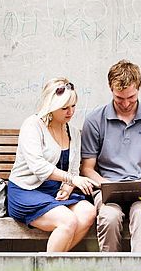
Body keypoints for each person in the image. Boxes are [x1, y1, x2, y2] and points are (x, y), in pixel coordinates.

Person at [81, 60, 141, 252]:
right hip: (108, 186)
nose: (126, 103)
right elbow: (87, 168)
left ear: (139, 87)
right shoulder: (95, 120)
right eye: (119, 98)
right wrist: (104, 184)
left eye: (131, 97)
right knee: (109, 218)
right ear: (110, 89)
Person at [7, 77, 97, 252]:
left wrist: (68, 187)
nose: (70, 112)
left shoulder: (73, 132)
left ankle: (52, 265)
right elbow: (38, 166)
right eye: (64, 108)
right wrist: (73, 179)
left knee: (88, 212)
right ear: (51, 105)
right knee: (67, 221)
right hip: (27, 191)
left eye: (73, 106)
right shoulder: (33, 125)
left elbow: (73, 166)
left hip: (54, 192)